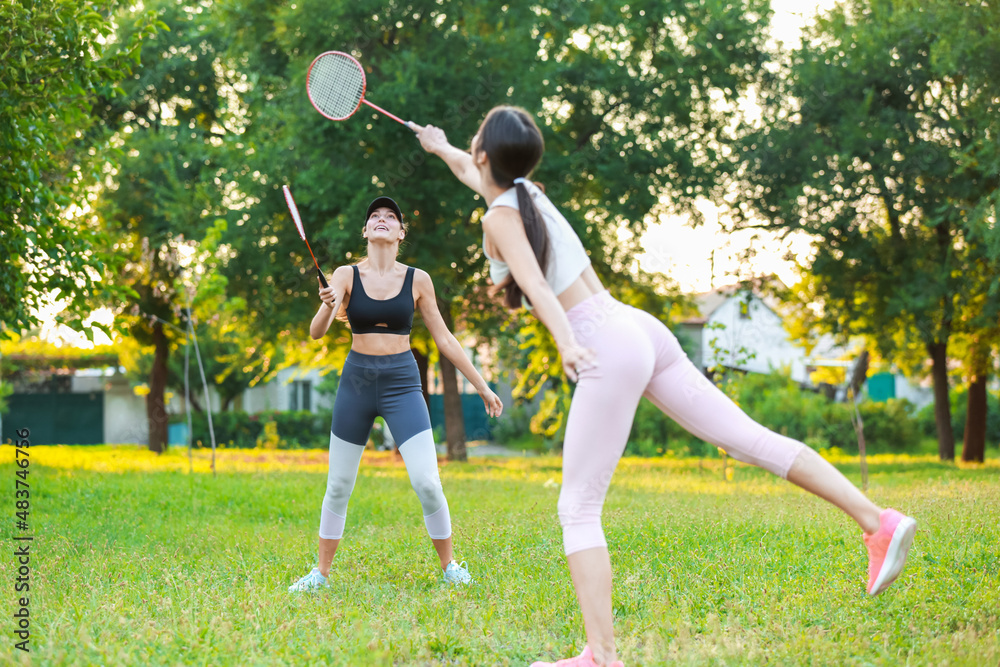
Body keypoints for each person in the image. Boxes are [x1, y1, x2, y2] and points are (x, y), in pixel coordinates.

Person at [410, 107, 916, 667]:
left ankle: (601, 657)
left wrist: (564, 341)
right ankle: (879, 522)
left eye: (475, 139)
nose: (471, 148)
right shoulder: (526, 193)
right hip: (637, 329)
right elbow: (469, 169)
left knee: (577, 508)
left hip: (601, 341)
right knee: (748, 438)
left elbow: (532, 282)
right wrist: (438, 146)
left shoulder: (502, 216)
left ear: (488, 154)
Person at [288, 195, 504, 592]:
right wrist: (326, 306)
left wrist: (483, 386)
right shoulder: (345, 275)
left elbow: (446, 339)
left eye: (391, 217)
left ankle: (451, 566)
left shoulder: (418, 279)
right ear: (366, 231)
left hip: (402, 383)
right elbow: (317, 330)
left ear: (401, 233)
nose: (382, 220)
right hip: (357, 382)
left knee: (427, 481)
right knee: (338, 483)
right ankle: (320, 574)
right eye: (375, 216)